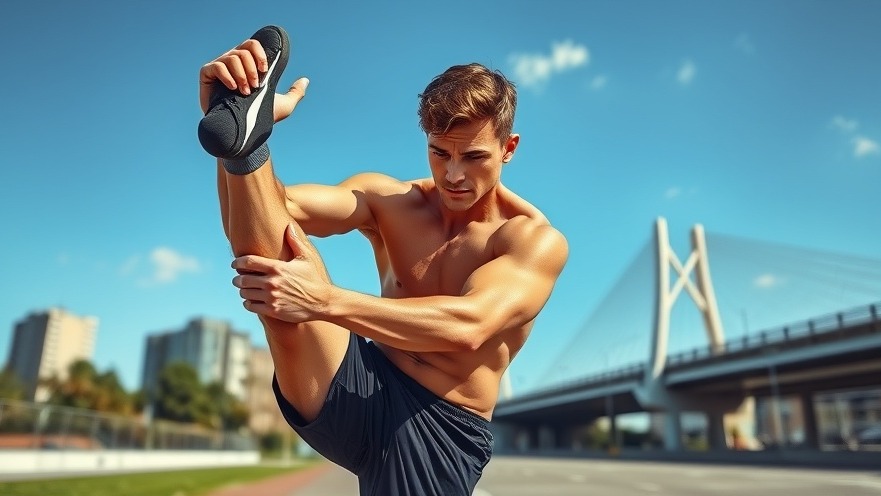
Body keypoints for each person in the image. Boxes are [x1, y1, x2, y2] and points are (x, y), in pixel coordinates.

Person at [198, 25, 568, 496]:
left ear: (508, 149)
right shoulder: (391, 200)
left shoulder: (532, 240)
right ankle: (246, 145)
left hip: (440, 428)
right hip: (362, 380)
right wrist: (227, 134)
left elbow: (468, 326)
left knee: (299, 294)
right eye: (439, 153)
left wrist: (324, 301)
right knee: (276, 265)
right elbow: (257, 221)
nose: (453, 174)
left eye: (473, 157)